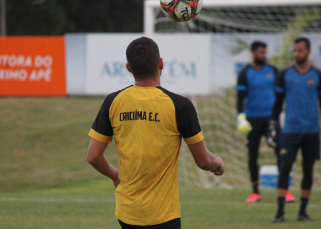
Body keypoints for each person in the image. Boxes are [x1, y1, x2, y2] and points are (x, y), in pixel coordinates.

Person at [86, 37, 225, 229]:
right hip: (163, 214)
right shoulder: (180, 105)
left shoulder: (113, 101)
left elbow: (93, 156)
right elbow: (203, 161)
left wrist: (115, 176)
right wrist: (217, 162)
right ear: (161, 63)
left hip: (127, 212)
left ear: (128, 67)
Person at [236, 41, 295, 203]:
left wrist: (280, 114)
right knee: (253, 154)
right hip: (252, 119)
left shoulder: (273, 71)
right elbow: (240, 98)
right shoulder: (245, 73)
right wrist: (240, 116)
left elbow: (281, 94)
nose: (264, 55)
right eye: (261, 52)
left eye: (265, 52)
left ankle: (285, 191)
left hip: (272, 119)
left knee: (281, 153)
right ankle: (255, 192)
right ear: (254, 53)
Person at [270, 37, 321, 223]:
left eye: (300, 50)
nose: (296, 54)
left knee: (308, 170)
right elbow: (278, 101)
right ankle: (280, 213)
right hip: (290, 129)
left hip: (311, 130)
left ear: (308, 51)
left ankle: (302, 212)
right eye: (295, 50)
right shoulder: (285, 74)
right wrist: (273, 123)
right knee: (285, 168)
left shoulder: (317, 75)